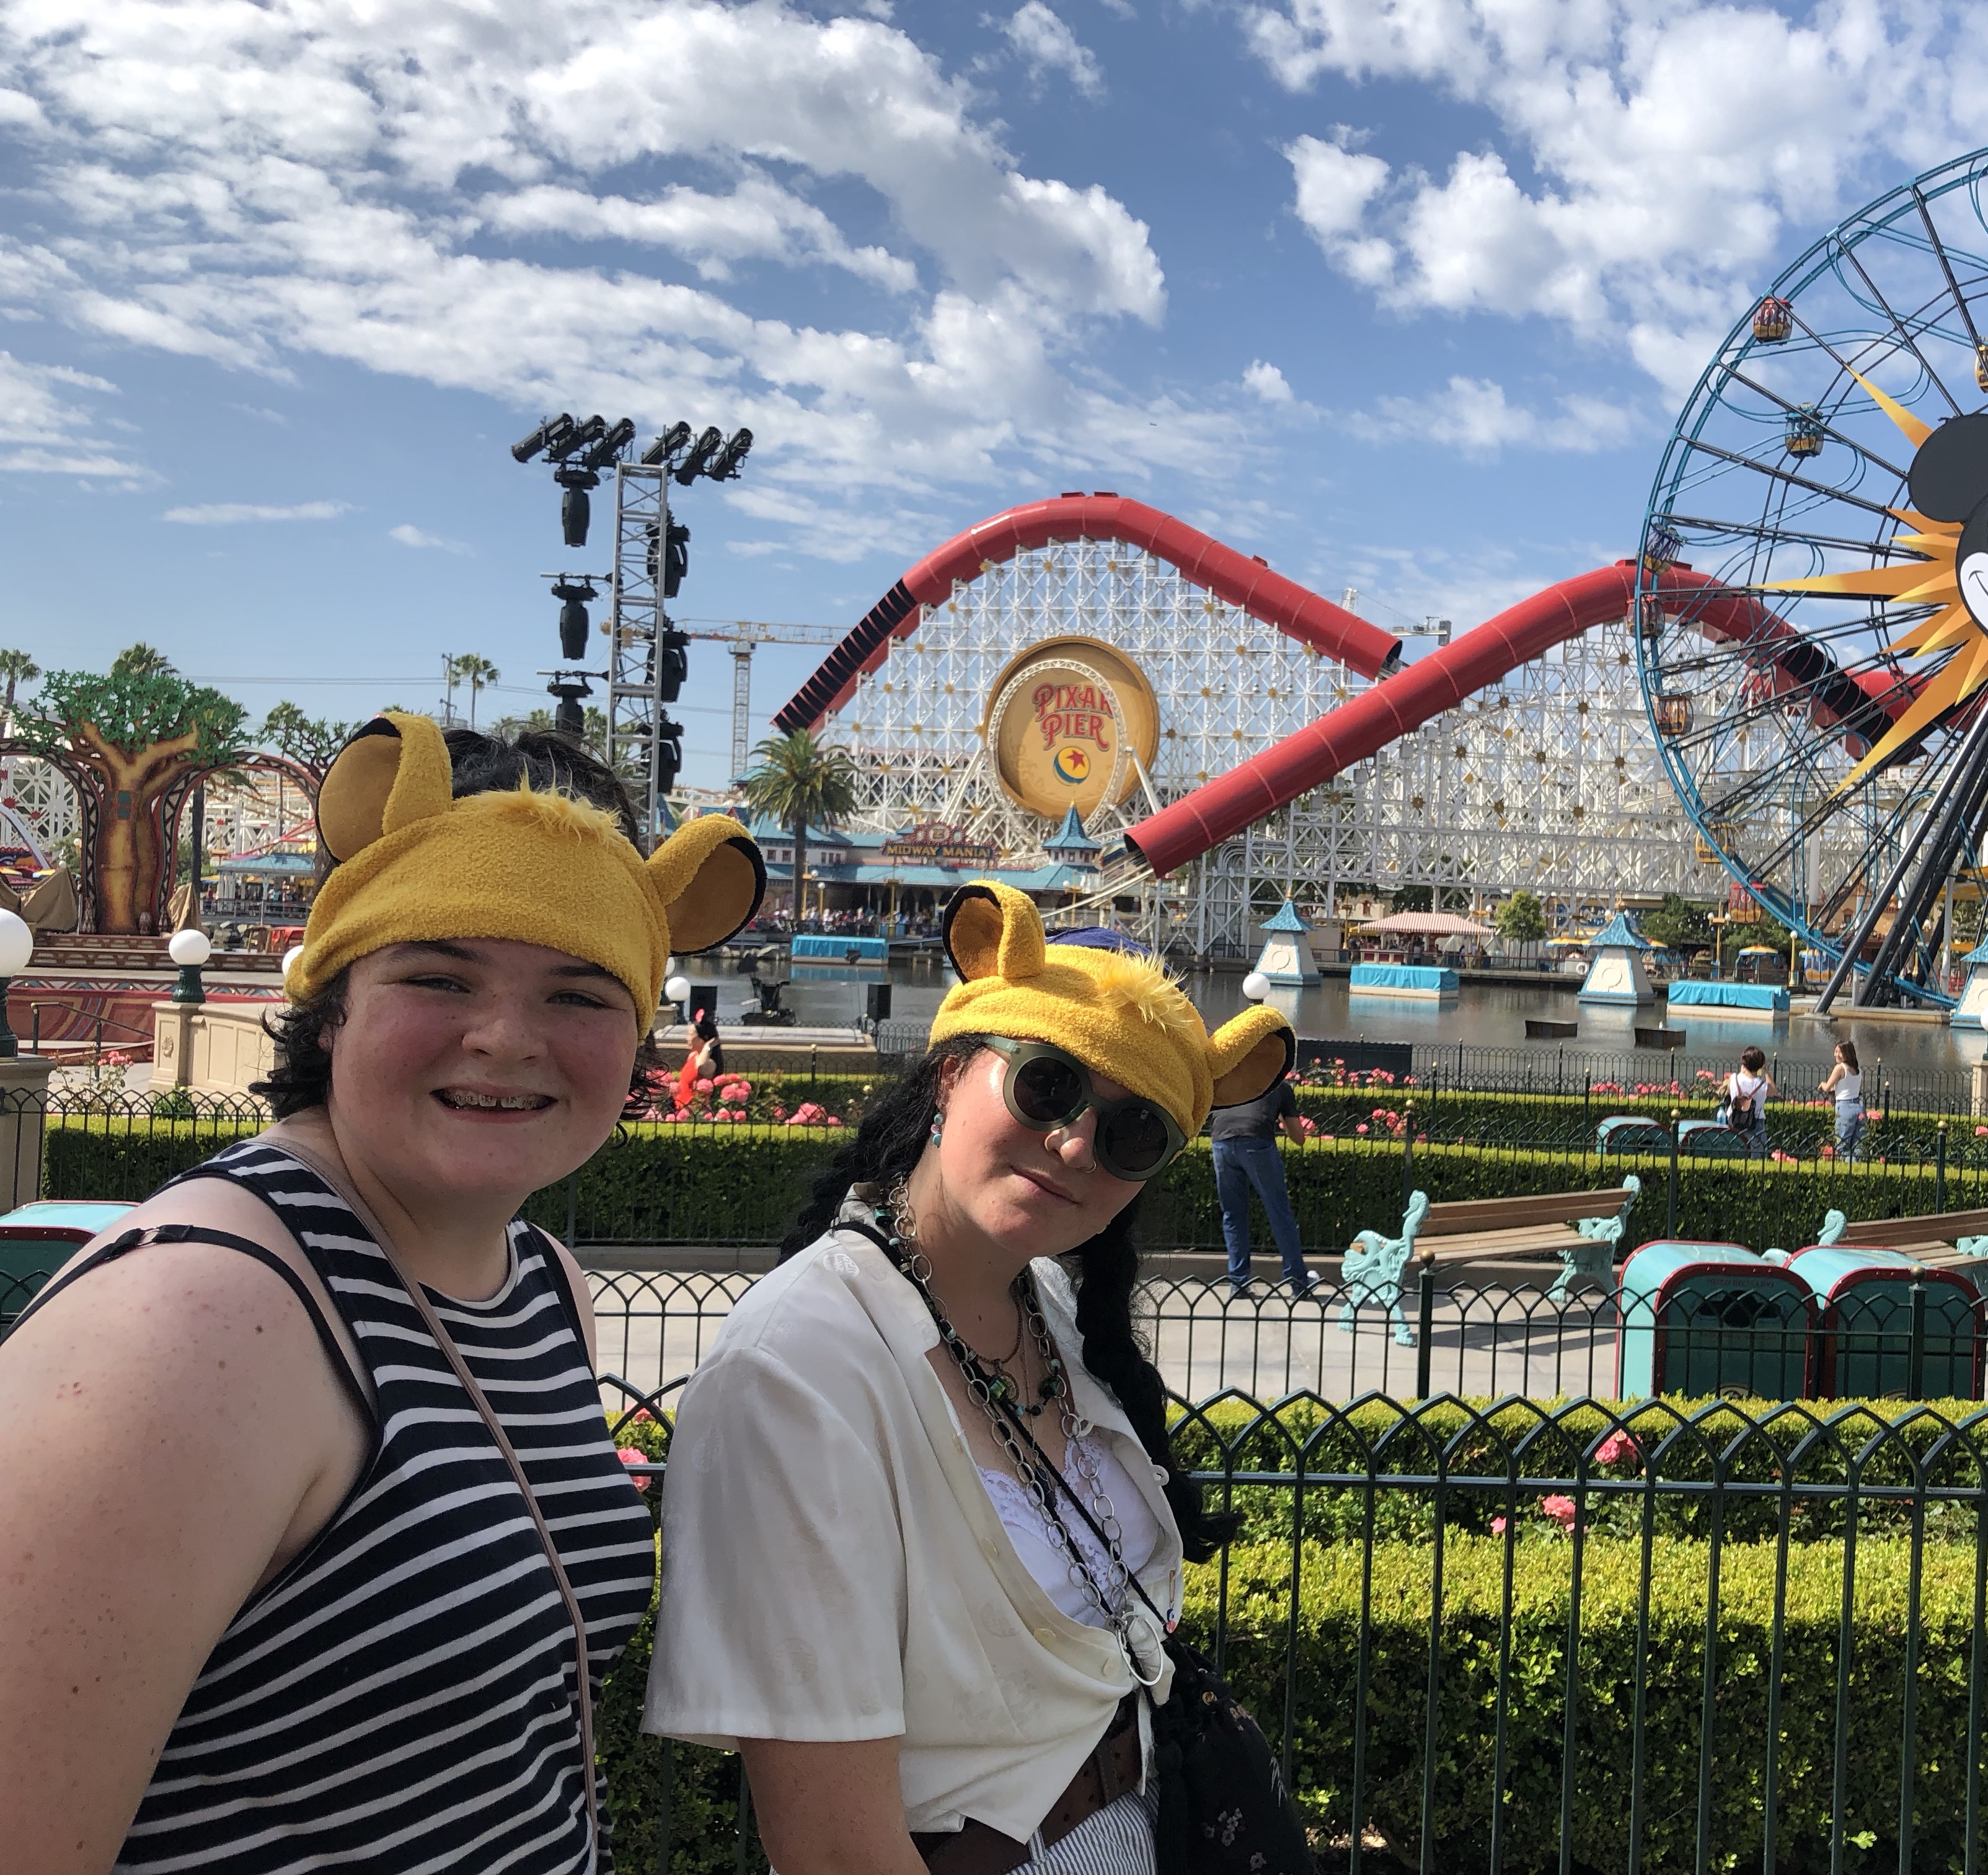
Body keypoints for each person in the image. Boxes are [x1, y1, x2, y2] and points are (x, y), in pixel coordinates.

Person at [0, 712, 766, 1873]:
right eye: (438, 975)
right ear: (334, 1000)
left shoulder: (541, 1285)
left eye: (580, 993)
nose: (506, 1037)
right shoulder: (199, 1316)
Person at [643, 880, 1288, 1875]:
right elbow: (834, 1850)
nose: (1075, 1144)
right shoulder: (800, 1366)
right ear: (949, 1074)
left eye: (1133, 1135)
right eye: (1047, 1087)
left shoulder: (1048, 1305)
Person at [1211, 1053, 1319, 1297]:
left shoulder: (1230, 1081)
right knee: (1279, 1212)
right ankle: (1298, 1282)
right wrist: (1281, 1116)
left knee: (1233, 1215)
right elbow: (1299, 1138)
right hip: (1256, 1142)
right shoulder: (1278, 1086)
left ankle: (1238, 1283)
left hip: (1221, 1142)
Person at [1722, 1045, 1776, 1155]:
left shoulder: (1733, 1079)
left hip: (1733, 1120)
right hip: (1755, 1123)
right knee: (1758, 1155)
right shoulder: (1762, 1085)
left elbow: (1729, 1092)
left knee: (1733, 1153)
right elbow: (1773, 1091)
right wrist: (1766, 1071)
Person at [1819, 1040, 1865, 1155]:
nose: (1836, 1055)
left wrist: (1822, 1084)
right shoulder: (1858, 1070)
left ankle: (1845, 1165)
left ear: (1847, 1053)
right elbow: (1848, 1087)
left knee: (1842, 1145)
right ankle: (1856, 1165)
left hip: (1845, 1107)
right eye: (1836, 1051)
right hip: (1859, 1107)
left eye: (1839, 1052)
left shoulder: (1840, 1068)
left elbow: (1828, 1087)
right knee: (1858, 1146)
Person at [676, 1003, 723, 1106]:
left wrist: (707, 1046)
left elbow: (700, 1066)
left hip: (696, 1109)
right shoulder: (693, 1056)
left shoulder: (710, 1063)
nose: (688, 1039)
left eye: (691, 1035)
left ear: (703, 1039)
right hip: (681, 1107)